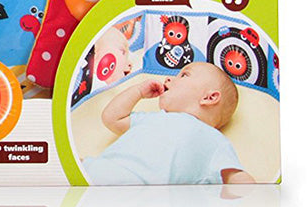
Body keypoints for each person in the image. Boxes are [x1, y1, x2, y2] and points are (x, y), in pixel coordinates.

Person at [82, 62, 254, 185]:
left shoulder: (214, 140)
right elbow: (111, 118)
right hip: (101, 170)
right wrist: (138, 91)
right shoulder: (152, 118)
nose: (168, 79)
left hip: (143, 190)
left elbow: (237, 178)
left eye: (184, 75)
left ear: (209, 97)